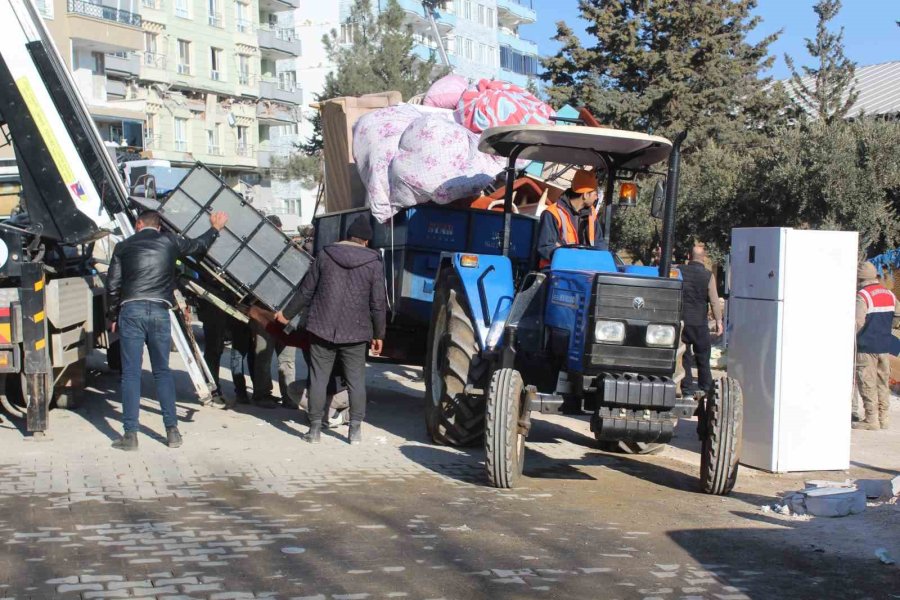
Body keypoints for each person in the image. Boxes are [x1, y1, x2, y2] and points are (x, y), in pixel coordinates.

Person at [107, 209, 228, 451]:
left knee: (131, 374)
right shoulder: (170, 242)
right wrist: (215, 229)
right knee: (162, 371)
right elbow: (197, 246)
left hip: (131, 310)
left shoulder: (123, 246)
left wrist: (112, 315)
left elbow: (113, 284)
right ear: (159, 226)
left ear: (139, 224)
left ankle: (130, 435)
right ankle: (172, 432)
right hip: (160, 311)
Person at [275, 215, 387, 444]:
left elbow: (306, 292)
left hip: (321, 328)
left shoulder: (325, 255)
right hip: (356, 332)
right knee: (356, 381)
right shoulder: (374, 263)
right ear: (366, 241)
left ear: (346, 237)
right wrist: (379, 334)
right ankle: (354, 431)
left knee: (317, 379)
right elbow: (378, 303)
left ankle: (314, 430)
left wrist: (285, 314)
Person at [251, 215, 297, 409]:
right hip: (265, 315)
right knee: (264, 356)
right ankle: (263, 395)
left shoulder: (292, 253)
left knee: (285, 359)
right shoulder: (256, 254)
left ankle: (289, 397)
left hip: (284, 315)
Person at [853, 262, 897, 430]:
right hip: (884, 346)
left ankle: (871, 420)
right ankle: (883, 418)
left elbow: (858, 321)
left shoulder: (863, 295)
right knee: (882, 382)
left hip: (866, 346)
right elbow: (897, 315)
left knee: (867, 382)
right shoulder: (889, 294)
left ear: (860, 278)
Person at [536, 169, 607, 268]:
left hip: (583, 269)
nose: (596, 198)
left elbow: (599, 243)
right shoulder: (552, 213)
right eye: (595, 194)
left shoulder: (591, 214)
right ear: (585, 195)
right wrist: (572, 257)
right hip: (556, 271)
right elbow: (545, 248)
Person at [678, 245, 723, 397]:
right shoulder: (708, 275)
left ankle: (687, 390)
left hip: (682, 322)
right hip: (699, 323)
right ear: (703, 258)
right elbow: (714, 301)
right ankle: (706, 389)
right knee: (703, 357)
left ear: (689, 256)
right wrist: (718, 321)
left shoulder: (679, 271)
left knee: (685, 358)